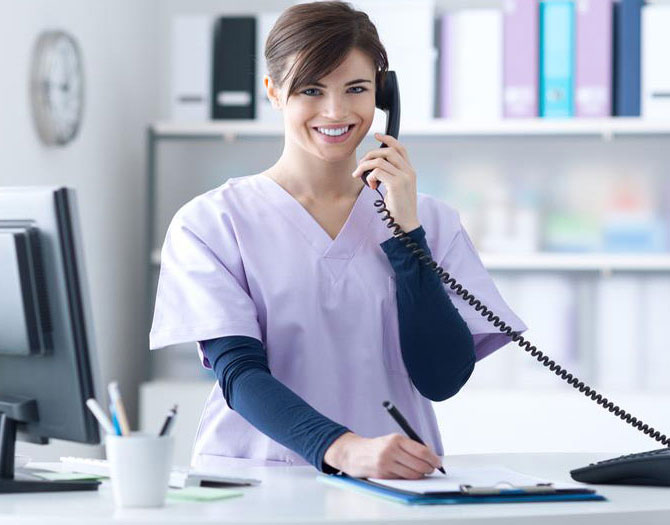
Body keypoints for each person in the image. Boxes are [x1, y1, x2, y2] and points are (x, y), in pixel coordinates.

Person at [149, 1, 526, 479]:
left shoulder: (429, 219)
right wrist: (345, 450)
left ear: (383, 95)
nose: (335, 111)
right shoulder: (212, 222)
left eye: (356, 89)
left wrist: (407, 235)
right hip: (258, 478)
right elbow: (238, 375)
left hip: (395, 481)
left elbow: (442, 377)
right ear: (273, 92)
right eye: (311, 89)